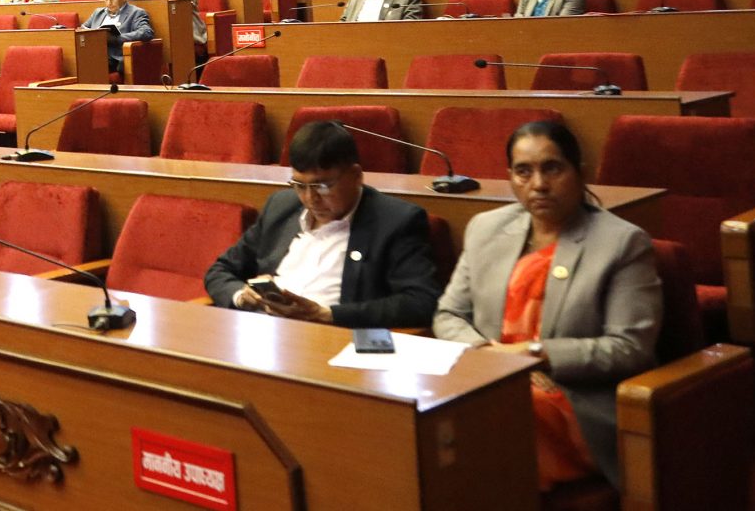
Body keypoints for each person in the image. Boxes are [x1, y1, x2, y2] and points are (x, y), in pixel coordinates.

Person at [433, 121, 659, 490]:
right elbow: (449, 314)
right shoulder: (486, 229)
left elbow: (629, 348)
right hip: (490, 378)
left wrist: (534, 353)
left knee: (492, 416)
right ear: (510, 176)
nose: (538, 184)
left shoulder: (622, 243)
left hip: (575, 399)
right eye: (523, 171)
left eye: (552, 168)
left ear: (579, 172)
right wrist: (487, 354)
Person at [204, 121, 441, 329]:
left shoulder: (396, 221)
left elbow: (421, 301)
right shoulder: (280, 207)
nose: (310, 199)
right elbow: (220, 270)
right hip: (265, 332)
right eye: (299, 185)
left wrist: (327, 314)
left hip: (331, 338)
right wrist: (240, 296)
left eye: (323, 186)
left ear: (356, 176)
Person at [81, 0, 155, 75]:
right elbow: (83, 29)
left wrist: (116, 38)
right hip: (94, 54)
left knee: (87, 65)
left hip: (115, 59)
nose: (108, 2)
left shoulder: (136, 13)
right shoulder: (98, 13)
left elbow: (146, 32)